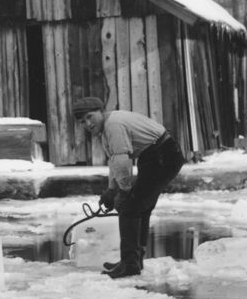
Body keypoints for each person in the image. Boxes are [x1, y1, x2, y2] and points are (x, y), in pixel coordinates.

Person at [73, 96, 185, 279]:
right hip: (154, 155)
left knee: (130, 206)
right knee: (140, 205)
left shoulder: (113, 126)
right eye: (82, 121)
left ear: (101, 112)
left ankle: (130, 263)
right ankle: (133, 260)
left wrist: (124, 191)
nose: (87, 123)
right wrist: (111, 190)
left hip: (163, 155)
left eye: (90, 117)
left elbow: (123, 161)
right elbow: (115, 162)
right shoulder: (106, 128)